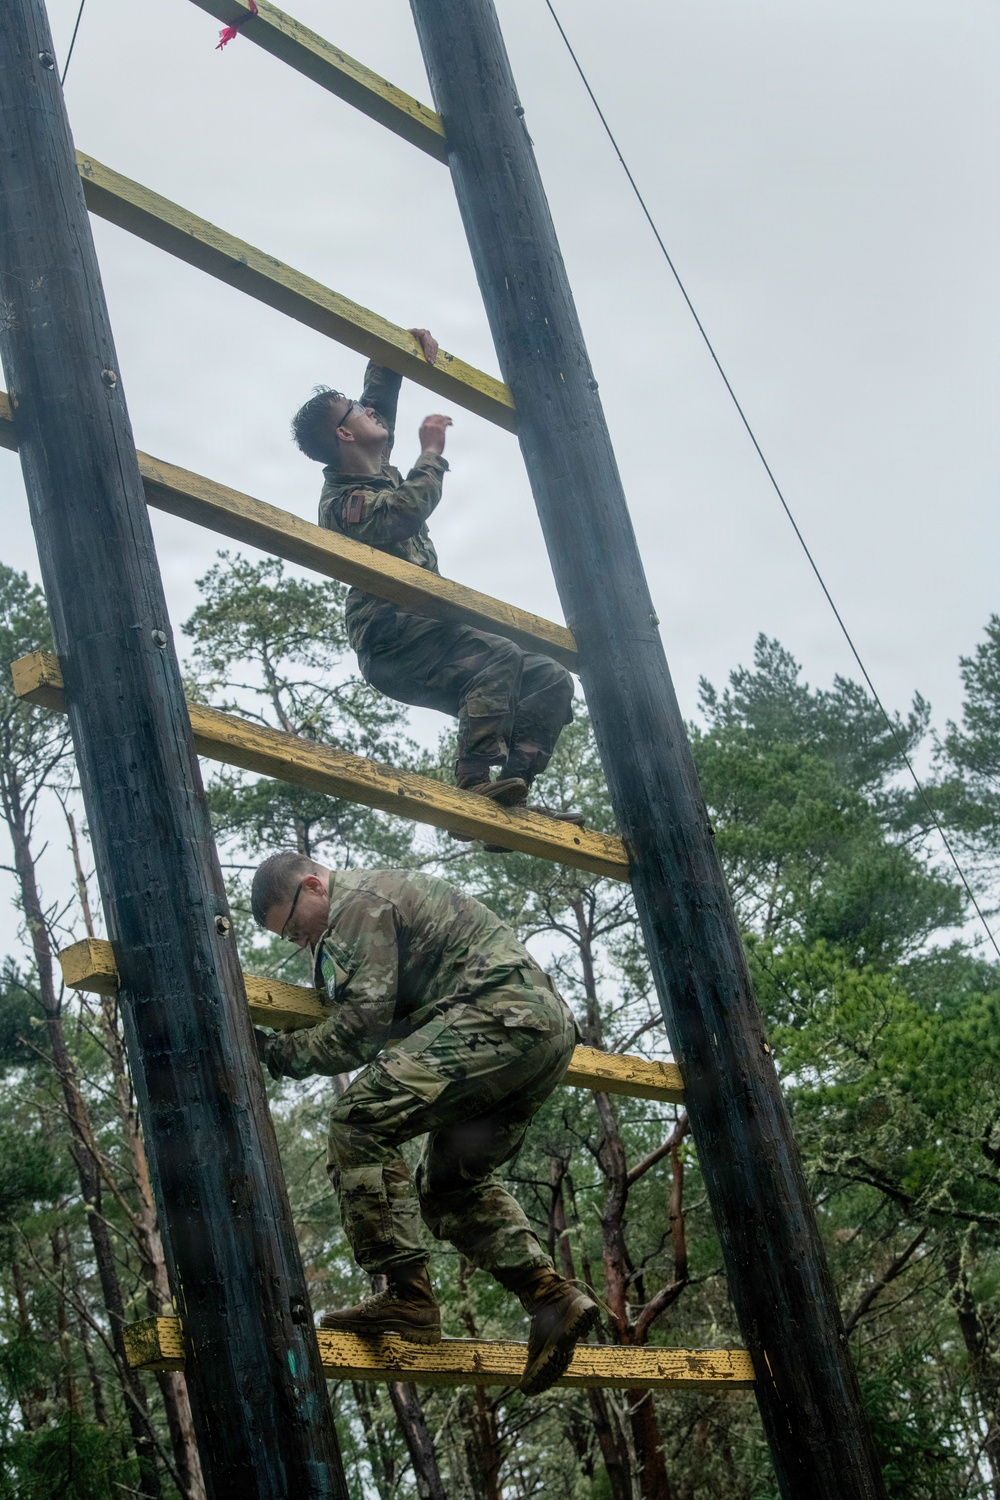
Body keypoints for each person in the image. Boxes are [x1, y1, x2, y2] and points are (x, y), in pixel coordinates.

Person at [251, 850, 599, 1396]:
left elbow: (358, 1032)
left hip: (497, 1017)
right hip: (541, 1036)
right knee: (451, 1186)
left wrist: (273, 1054)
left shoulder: (357, 907)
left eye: (295, 927)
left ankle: (408, 1297)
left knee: (357, 1121)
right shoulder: (363, 910)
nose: (298, 942)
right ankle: (550, 1298)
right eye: (287, 938)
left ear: (314, 887)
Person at [290, 331, 578, 819]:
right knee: (499, 654)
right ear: (344, 434)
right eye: (356, 412)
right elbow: (405, 511)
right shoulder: (343, 503)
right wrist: (432, 452)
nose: (370, 412)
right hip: (393, 640)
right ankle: (473, 782)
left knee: (549, 677)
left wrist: (401, 341)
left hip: (432, 631)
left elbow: (378, 396)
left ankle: (506, 798)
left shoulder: (376, 462)